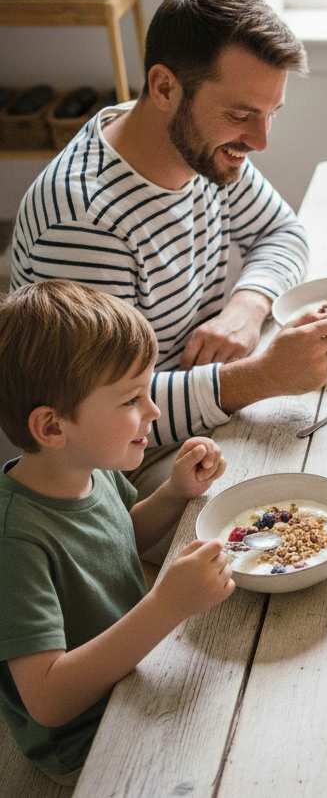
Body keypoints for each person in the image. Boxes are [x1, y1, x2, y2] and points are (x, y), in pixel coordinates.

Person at [9, 0, 327, 456]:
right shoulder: (84, 221)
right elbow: (98, 420)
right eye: (240, 114)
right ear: (164, 87)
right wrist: (262, 377)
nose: (260, 141)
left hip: (198, 414)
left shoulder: (197, 146)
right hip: (123, 468)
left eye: (272, 113)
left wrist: (247, 306)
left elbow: (281, 231)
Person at [0, 280, 235, 785]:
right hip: (89, 738)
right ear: (52, 427)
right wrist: (168, 605)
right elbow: (48, 700)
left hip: (136, 667)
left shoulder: (89, 467)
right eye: (131, 399)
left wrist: (174, 492)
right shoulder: (13, 542)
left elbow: (118, 537)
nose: (152, 411)